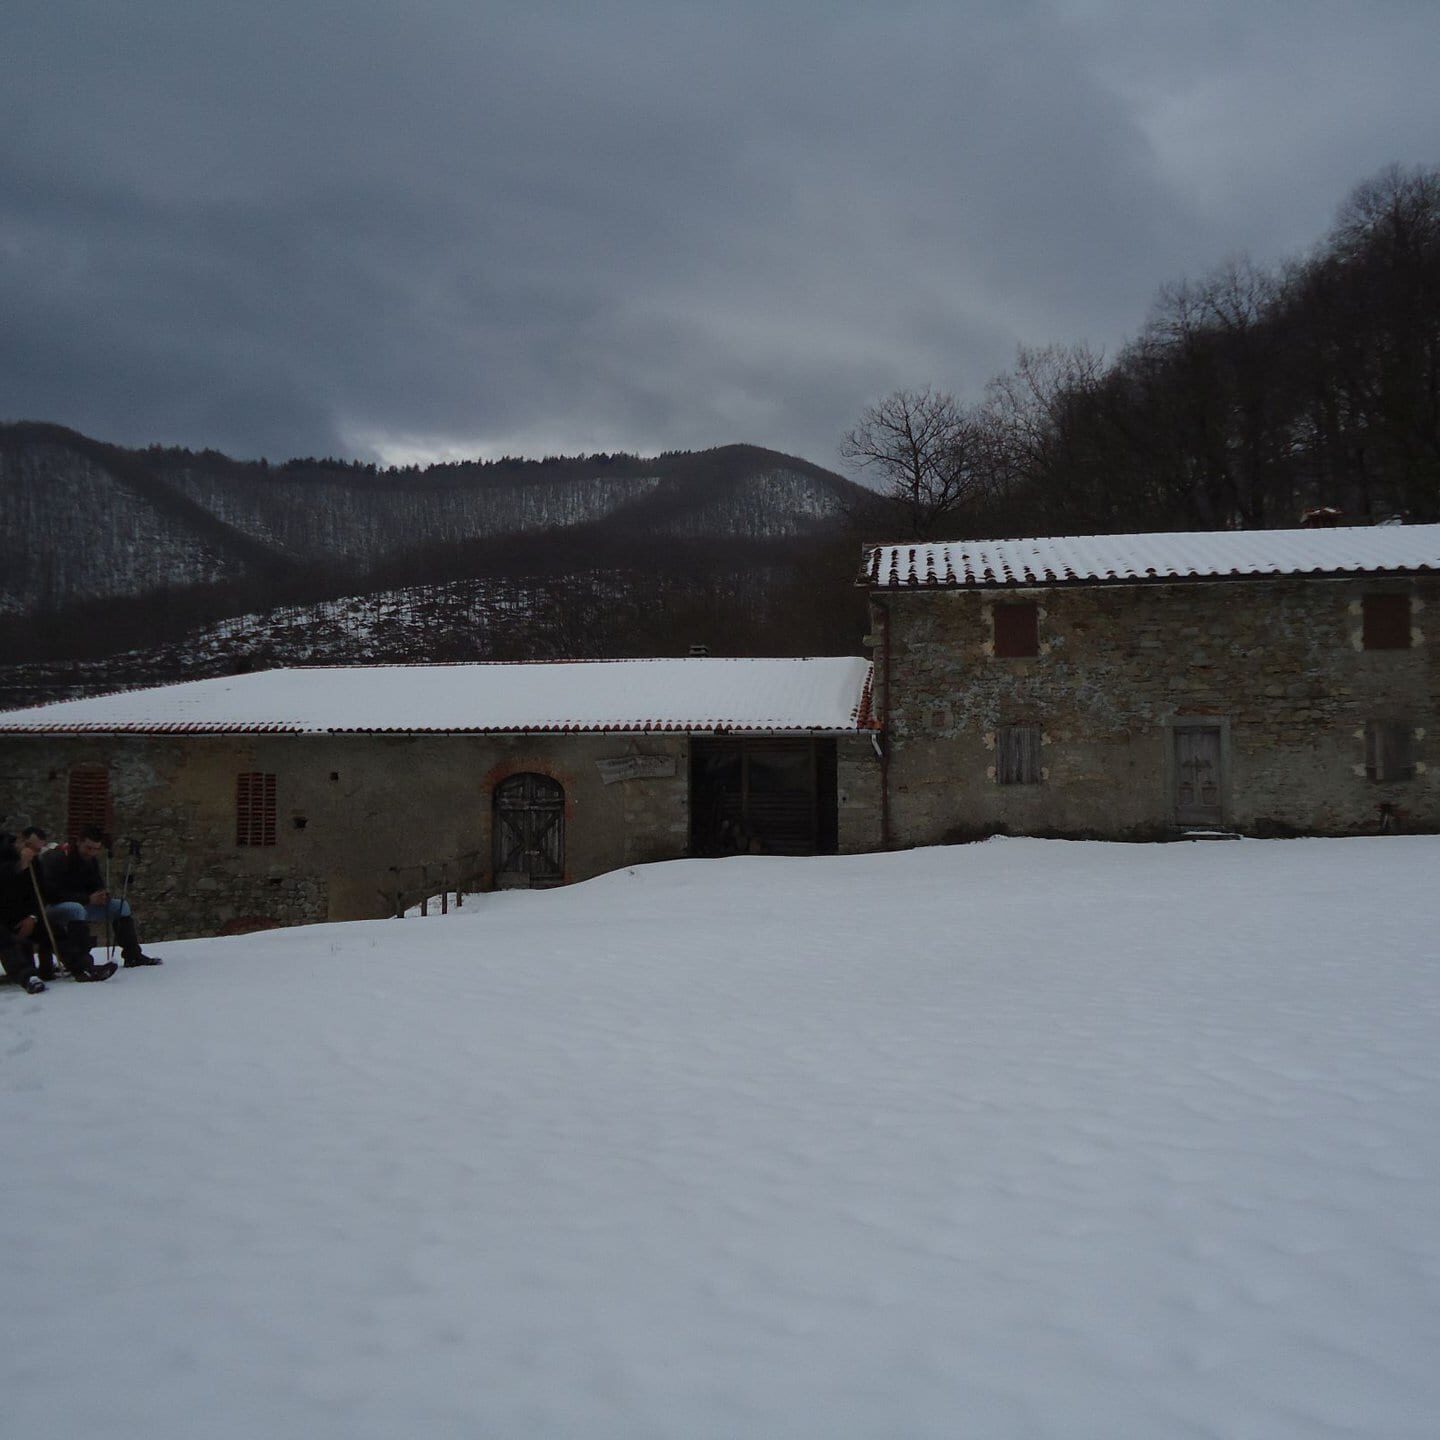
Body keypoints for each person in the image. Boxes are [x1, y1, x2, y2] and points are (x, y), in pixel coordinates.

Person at [40, 826, 162, 968]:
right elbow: (52, 893)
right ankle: (82, 961)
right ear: (78, 842)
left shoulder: (90, 860)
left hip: (84, 904)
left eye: (96, 849)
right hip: (56, 907)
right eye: (88, 848)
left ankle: (133, 955)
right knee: (76, 909)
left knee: (121, 906)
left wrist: (103, 894)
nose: (91, 852)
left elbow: (96, 884)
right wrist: (87, 899)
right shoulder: (57, 858)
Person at [0, 833, 48, 993]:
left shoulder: (30, 862)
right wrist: (19, 866)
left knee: (51, 929)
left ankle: (82, 966)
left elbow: (39, 894)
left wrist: (33, 917)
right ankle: (27, 976)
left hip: (20, 916)